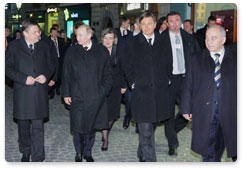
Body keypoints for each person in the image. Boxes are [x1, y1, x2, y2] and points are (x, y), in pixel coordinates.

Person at [180, 24, 237, 162]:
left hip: (230, 111)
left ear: (223, 40)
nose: (209, 41)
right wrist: (186, 107)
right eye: (206, 38)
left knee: (232, 145)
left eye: (213, 38)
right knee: (208, 151)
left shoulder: (235, 58)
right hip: (206, 111)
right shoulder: (197, 58)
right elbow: (189, 84)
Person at [5, 19, 56, 162]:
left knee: (38, 126)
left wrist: (45, 75)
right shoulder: (14, 47)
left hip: (39, 92)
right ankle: (26, 151)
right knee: (23, 126)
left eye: (39, 31)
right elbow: (7, 68)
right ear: (25, 34)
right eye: (35, 32)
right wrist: (23, 78)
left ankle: (38, 157)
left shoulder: (44, 46)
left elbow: (51, 65)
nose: (38, 34)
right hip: (22, 93)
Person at [123, 11, 171, 162]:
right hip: (141, 92)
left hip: (159, 91)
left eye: (149, 23)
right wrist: (133, 83)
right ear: (139, 25)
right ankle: (151, 160)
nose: (146, 27)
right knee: (145, 129)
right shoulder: (132, 42)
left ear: (155, 24)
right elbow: (126, 65)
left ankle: (141, 150)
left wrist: (167, 78)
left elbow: (169, 61)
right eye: (143, 24)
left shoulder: (163, 41)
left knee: (153, 124)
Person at [61, 24, 112, 162]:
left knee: (91, 126)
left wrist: (102, 91)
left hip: (95, 96)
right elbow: (66, 74)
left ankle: (88, 152)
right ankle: (78, 152)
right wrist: (66, 93)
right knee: (78, 126)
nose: (77, 37)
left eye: (81, 35)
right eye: (77, 35)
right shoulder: (72, 52)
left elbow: (108, 74)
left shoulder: (101, 51)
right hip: (76, 95)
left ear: (89, 35)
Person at [160, 11, 199, 156]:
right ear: (167, 23)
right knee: (169, 112)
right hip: (169, 80)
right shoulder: (161, 39)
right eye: (171, 21)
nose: (175, 23)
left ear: (180, 21)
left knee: (187, 111)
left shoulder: (189, 38)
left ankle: (171, 131)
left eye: (177, 20)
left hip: (185, 79)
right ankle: (172, 143)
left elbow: (196, 58)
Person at [100, 28, 124, 151]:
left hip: (116, 87)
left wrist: (124, 85)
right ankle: (105, 139)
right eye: (106, 38)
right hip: (102, 87)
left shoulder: (118, 51)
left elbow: (123, 69)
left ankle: (106, 130)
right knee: (104, 113)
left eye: (111, 38)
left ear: (114, 39)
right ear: (102, 39)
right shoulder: (98, 51)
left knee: (113, 115)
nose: (108, 41)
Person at [48, 27, 66, 99]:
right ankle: (51, 91)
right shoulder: (47, 41)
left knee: (59, 76)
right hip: (51, 61)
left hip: (60, 60)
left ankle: (57, 88)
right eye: (53, 33)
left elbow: (64, 51)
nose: (55, 34)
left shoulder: (61, 40)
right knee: (52, 76)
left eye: (56, 33)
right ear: (50, 33)